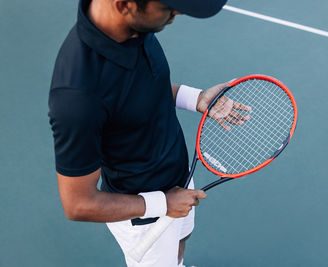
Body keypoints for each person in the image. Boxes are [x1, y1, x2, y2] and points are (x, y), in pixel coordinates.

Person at [48, 0, 248, 266]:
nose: (176, 14)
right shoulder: (78, 97)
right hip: (145, 214)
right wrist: (163, 204)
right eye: (169, 7)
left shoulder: (135, 27)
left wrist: (196, 98)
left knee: (180, 242)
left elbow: (139, 90)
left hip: (177, 179)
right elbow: (78, 204)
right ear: (124, 5)